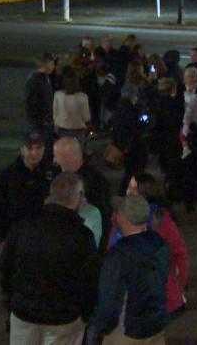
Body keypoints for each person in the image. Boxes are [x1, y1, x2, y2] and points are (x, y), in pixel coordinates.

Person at [2, 172, 100, 345]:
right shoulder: (82, 236)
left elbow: (6, 266)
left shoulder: (23, 226)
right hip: (63, 319)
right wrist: (85, 313)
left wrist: (12, 300)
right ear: (78, 196)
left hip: (24, 312)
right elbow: (90, 280)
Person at [87, 194, 170, 345]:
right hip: (156, 324)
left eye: (116, 212)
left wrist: (98, 328)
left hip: (127, 329)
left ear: (122, 217)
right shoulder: (160, 244)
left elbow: (109, 300)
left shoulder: (119, 254)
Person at [109, 174, 189, 316]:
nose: (127, 192)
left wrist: (178, 286)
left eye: (131, 189)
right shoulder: (119, 219)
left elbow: (179, 254)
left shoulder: (161, 221)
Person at [0, 130, 58, 245]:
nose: (34, 153)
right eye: (30, 148)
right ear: (22, 149)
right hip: (17, 238)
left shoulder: (52, 172)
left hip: (45, 236)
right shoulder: (8, 176)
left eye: (38, 148)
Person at [54, 136, 111, 250]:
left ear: (68, 158)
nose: (54, 160)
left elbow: (102, 218)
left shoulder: (95, 184)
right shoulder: (59, 175)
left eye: (56, 156)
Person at [148, 78, 184, 203]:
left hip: (162, 141)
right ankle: (174, 193)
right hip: (174, 140)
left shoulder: (156, 104)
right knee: (174, 169)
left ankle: (169, 191)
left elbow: (154, 125)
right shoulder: (178, 104)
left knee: (167, 169)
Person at [180, 67, 197, 214]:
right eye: (190, 77)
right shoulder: (179, 94)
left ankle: (192, 199)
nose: (192, 80)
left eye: (195, 77)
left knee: (195, 171)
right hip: (180, 138)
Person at [54, 66, 92, 141]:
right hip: (78, 131)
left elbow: (55, 115)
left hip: (62, 130)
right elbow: (86, 117)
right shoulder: (83, 97)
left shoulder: (57, 95)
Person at [25, 52, 56, 136]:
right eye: (52, 63)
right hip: (39, 123)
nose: (54, 66)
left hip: (45, 121)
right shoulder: (36, 80)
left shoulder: (45, 77)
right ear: (45, 64)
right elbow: (31, 101)